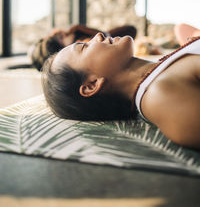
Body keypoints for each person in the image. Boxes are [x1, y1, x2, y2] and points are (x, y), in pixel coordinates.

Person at [42, 33, 200, 150]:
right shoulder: (160, 96)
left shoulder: (161, 74)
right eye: (85, 47)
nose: (97, 35)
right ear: (91, 85)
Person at [29, 24, 137, 71]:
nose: (64, 31)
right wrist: (80, 28)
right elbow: (129, 30)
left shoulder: (79, 40)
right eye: (62, 36)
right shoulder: (83, 42)